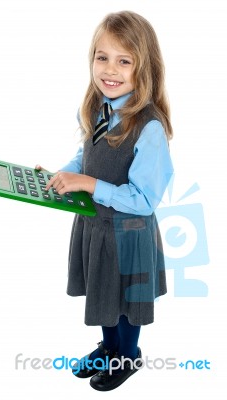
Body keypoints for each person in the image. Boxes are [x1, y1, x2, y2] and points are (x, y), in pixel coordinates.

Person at [36, 10, 174, 391]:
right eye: (102, 57)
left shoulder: (149, 128)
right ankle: (109, 346)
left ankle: (127, 355)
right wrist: (63, 175)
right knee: (102, 291)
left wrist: (90, 184)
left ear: (143, 68)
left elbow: (144, 199)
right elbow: (86, 157)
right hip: (96, 228)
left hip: (128, 233)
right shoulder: (98, 108)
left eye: (124, 60)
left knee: (126, 301)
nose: (110, 70)